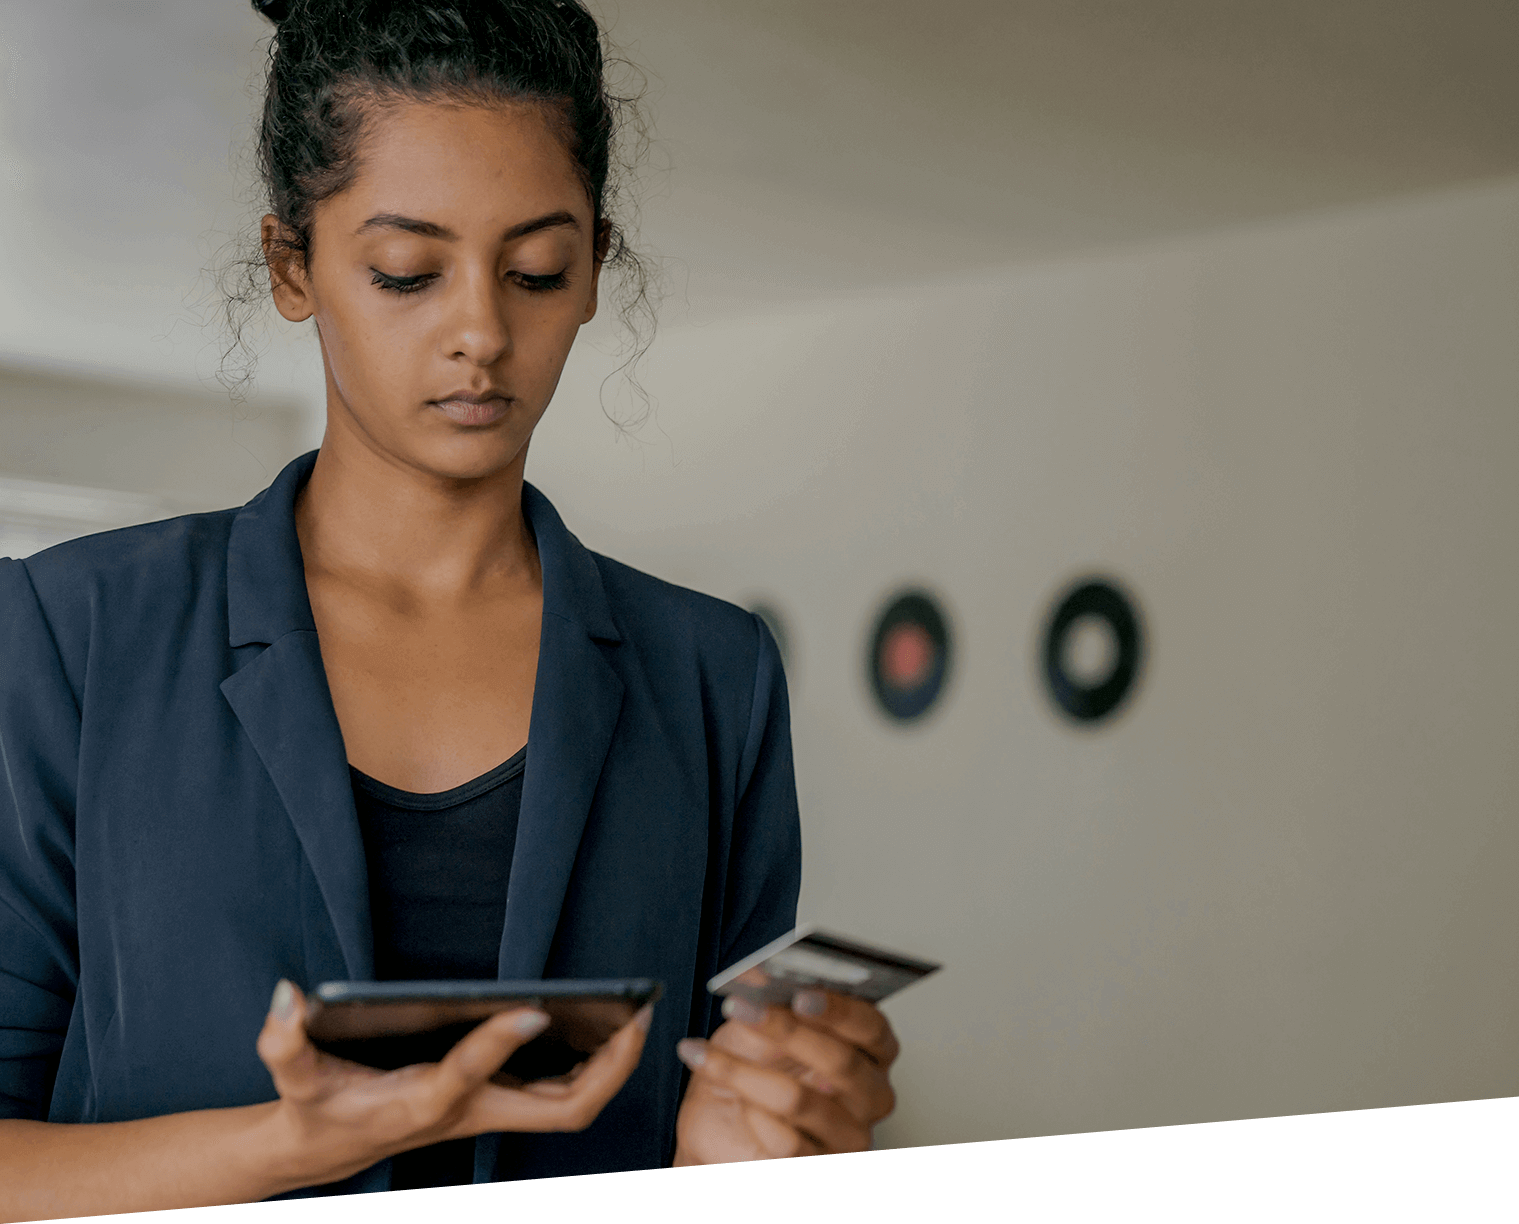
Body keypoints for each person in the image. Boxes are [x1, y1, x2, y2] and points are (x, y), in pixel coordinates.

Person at [0, 1, 899, 1216]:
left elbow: (724, 1105)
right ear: (291, 268)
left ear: (592, 273)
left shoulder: (713, 675)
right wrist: (281, 1147)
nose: (482, 331)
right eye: (406, 273)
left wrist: (765, 1129)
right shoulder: (69, 636)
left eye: (537, 270)